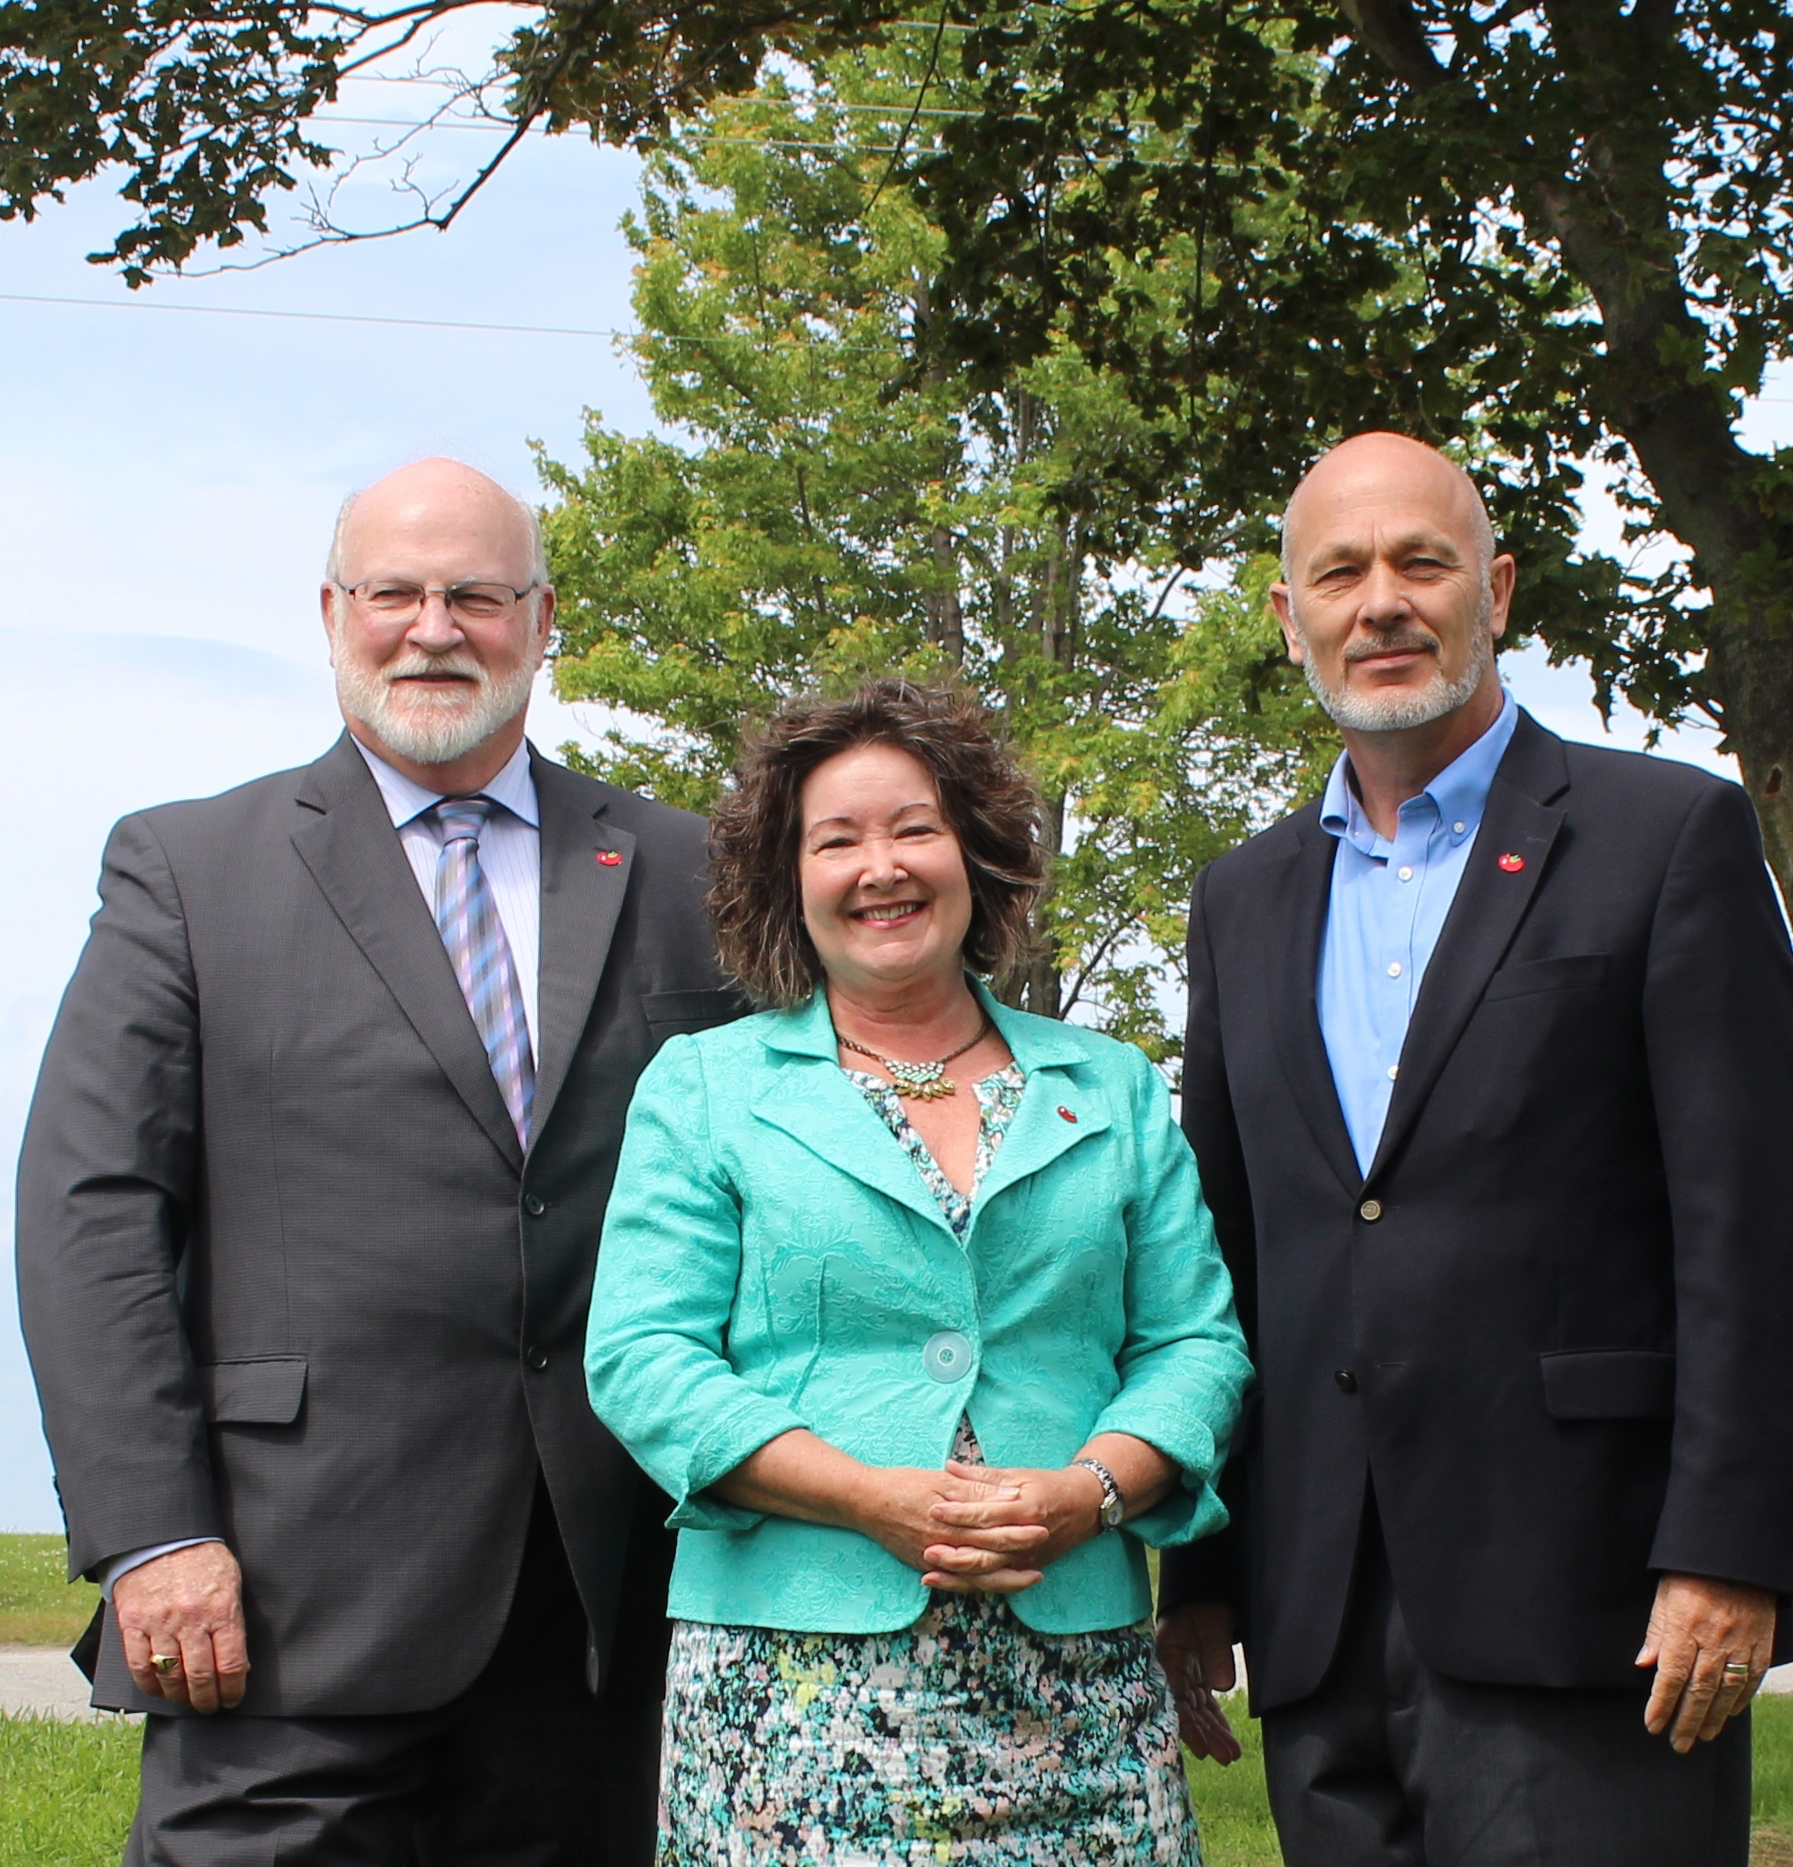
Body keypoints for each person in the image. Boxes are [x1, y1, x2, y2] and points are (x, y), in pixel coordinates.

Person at [16, 458, 740, 1864]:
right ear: (334, 613)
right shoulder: (187, 868)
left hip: (601, 1609)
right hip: (283, 1595)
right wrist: (152, 1531)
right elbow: (90, 1209)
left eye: (475, 593)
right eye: (395, 593)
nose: (432, 627)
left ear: (544, 619)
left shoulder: (681, 870)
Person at [1155, 431, 1793, 1866]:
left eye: (1420, 561)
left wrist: (1733, 1546)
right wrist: (1200, 1567)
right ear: (1287, 616)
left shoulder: (1665, 834)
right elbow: (1226, 1249)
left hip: (1593, 1602)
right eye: (1340, 571)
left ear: (1494, 588)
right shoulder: (1241, 896)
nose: (1380, 601)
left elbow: (1752, 1226)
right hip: (1316, 1608)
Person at [583, 678, 1251, 1864]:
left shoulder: (1111, 1086)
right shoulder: (702, 1086)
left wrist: (1088, 1491)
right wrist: (864, 1495)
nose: (878, 866)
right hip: (783, 1692)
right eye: (835, 839)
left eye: (913, 828)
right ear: (787, 879)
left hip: (1080, 1681)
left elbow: (1195, 1344)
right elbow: (644, 1358)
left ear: (974, 853)